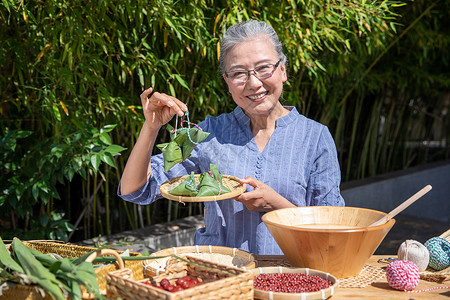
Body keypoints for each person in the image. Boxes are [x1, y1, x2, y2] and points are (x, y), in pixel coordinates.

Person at [118, 20, 344, 255]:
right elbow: (135, 190)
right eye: (238, 73)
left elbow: (330, 230)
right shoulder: (208, 133)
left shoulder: (315, 137)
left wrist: (275, 204)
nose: (254, 83)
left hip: (291, 277)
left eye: (264, 68)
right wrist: (151, 127)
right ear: (227, 82)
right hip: (220, 275)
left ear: (283, 70)